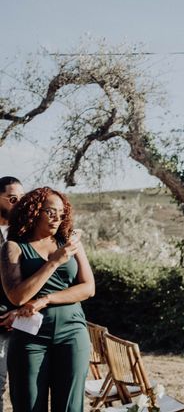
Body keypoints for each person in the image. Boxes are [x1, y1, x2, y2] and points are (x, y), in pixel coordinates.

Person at [0, 187, 95, 412]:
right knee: (29, 406)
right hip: (30, 337)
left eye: (61, 213)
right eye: (50, 212)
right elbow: (17, 295)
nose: (57, 217)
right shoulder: (12, 247)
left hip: (72, 332)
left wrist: (46, 300)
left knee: (71, 407)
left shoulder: (70, 243)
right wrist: (53, 262)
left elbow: (88, 288)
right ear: (33, 211)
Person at [0, 176, 24, 412]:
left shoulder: (27, 235)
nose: (19, 205)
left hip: (25, 323)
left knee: (23, 391)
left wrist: (21, 310)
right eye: (13, 199)